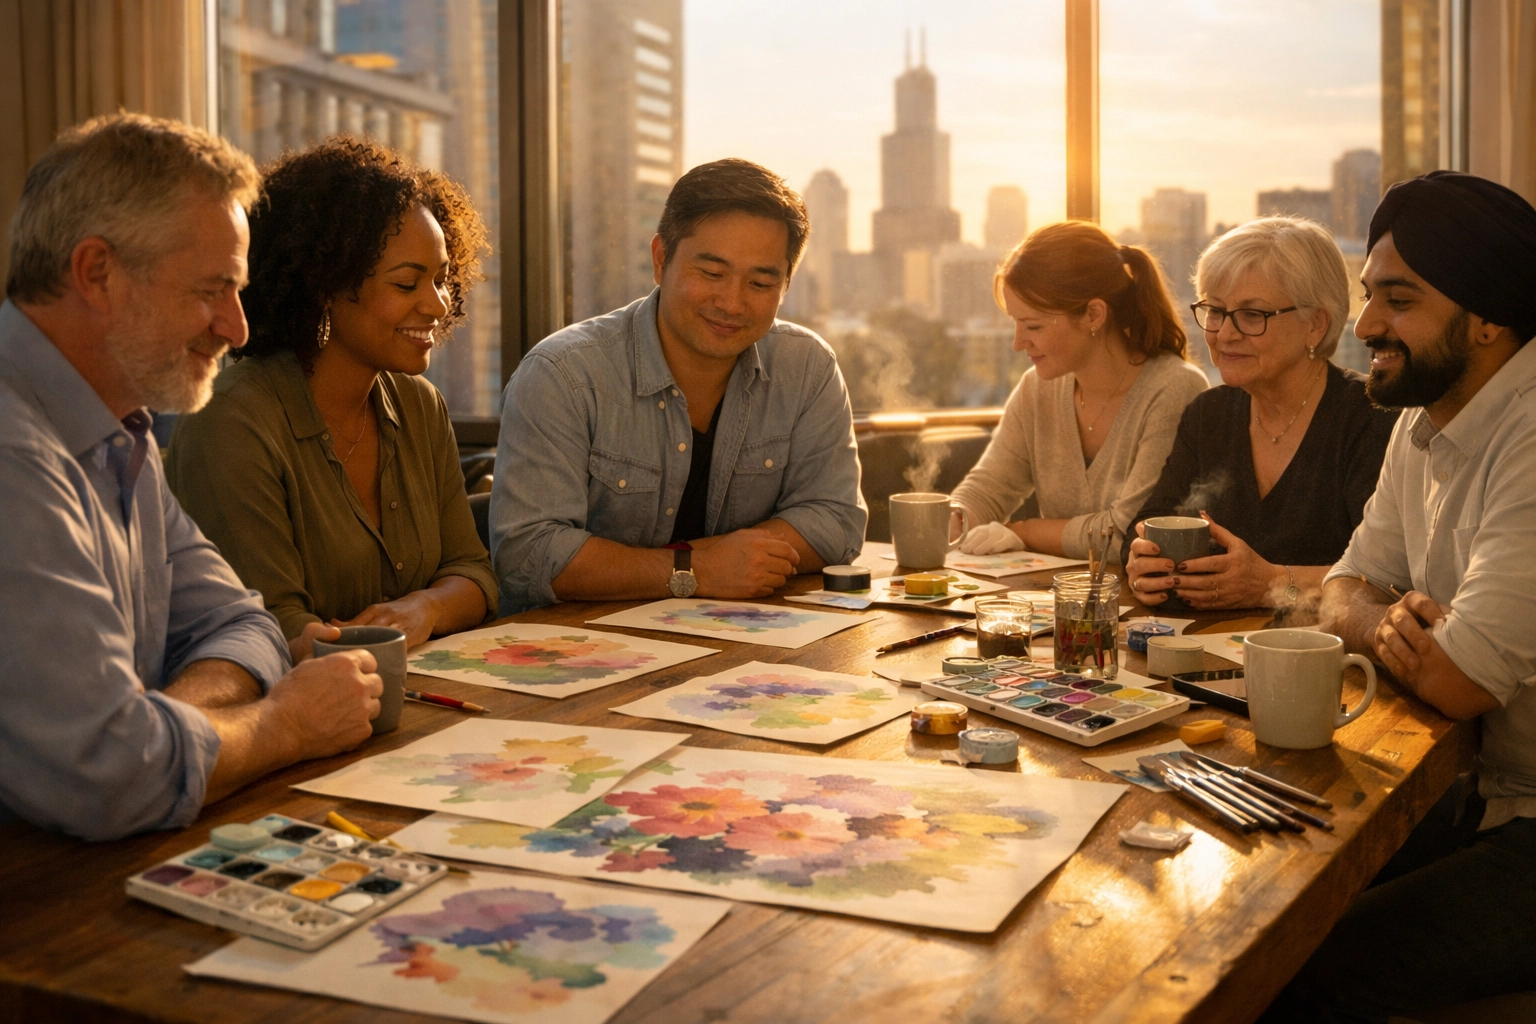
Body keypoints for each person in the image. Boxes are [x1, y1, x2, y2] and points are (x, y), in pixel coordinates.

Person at [0, 114, 383, 841]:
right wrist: (284, 723)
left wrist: (168, 727)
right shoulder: (13, 455)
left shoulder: (118, 430)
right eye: (212, 291)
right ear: (97, 273)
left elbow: (243, 623)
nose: (236, 328)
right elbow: (110, 777)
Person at [1261, 173, 1536, 1022]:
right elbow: (1341, 586)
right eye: (1368, 295)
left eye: (1398, 300)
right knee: (1264, 888)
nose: (1367, 324)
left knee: (1287, 963)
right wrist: (1388, 617)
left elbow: (1459, 680)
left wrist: (1377, 622)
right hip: (1485, 790)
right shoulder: (1424, 419)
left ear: (1488, 318)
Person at [491, 158, 866, 613]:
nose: (731, 302)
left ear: (785, 285)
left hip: (739, 643)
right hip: (576, 652)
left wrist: (734, 561)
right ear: (660, 259)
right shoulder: (563, 374)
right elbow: (528, 554)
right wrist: (694, 570)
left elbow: (836, 518)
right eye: (711, 273)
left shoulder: (806, 367)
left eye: (761, 281)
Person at [167, 139, 496, 656]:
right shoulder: (234, 420)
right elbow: (268, 624)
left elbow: (473, 571)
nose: (437, 305)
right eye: (408, 283)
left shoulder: (419, 404)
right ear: (325, 285)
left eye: (442, 280)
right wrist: (389, 637)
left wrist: (426, 608)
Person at [1125, 217, 1398, 611]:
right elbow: (1150, 520)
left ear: (1315, 326)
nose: (1224, 333)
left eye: (1252, 315)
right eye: (1215, 310)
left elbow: (1388, 576)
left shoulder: (1370, 417)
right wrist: (1141, 559)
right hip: (1212, 649)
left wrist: (1272, 583)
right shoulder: (1209, 413)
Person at [950, 222, 1208, 564]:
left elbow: (1127, 534)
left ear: (1093, 314)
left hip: (1149, 612)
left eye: (1033, 326)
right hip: (1061, 607)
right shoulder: (1036, 388)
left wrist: (1023, 532)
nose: (1017, 343)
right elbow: (987, 489)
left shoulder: (1175, 389)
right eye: (1015, 324)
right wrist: (951, 520)